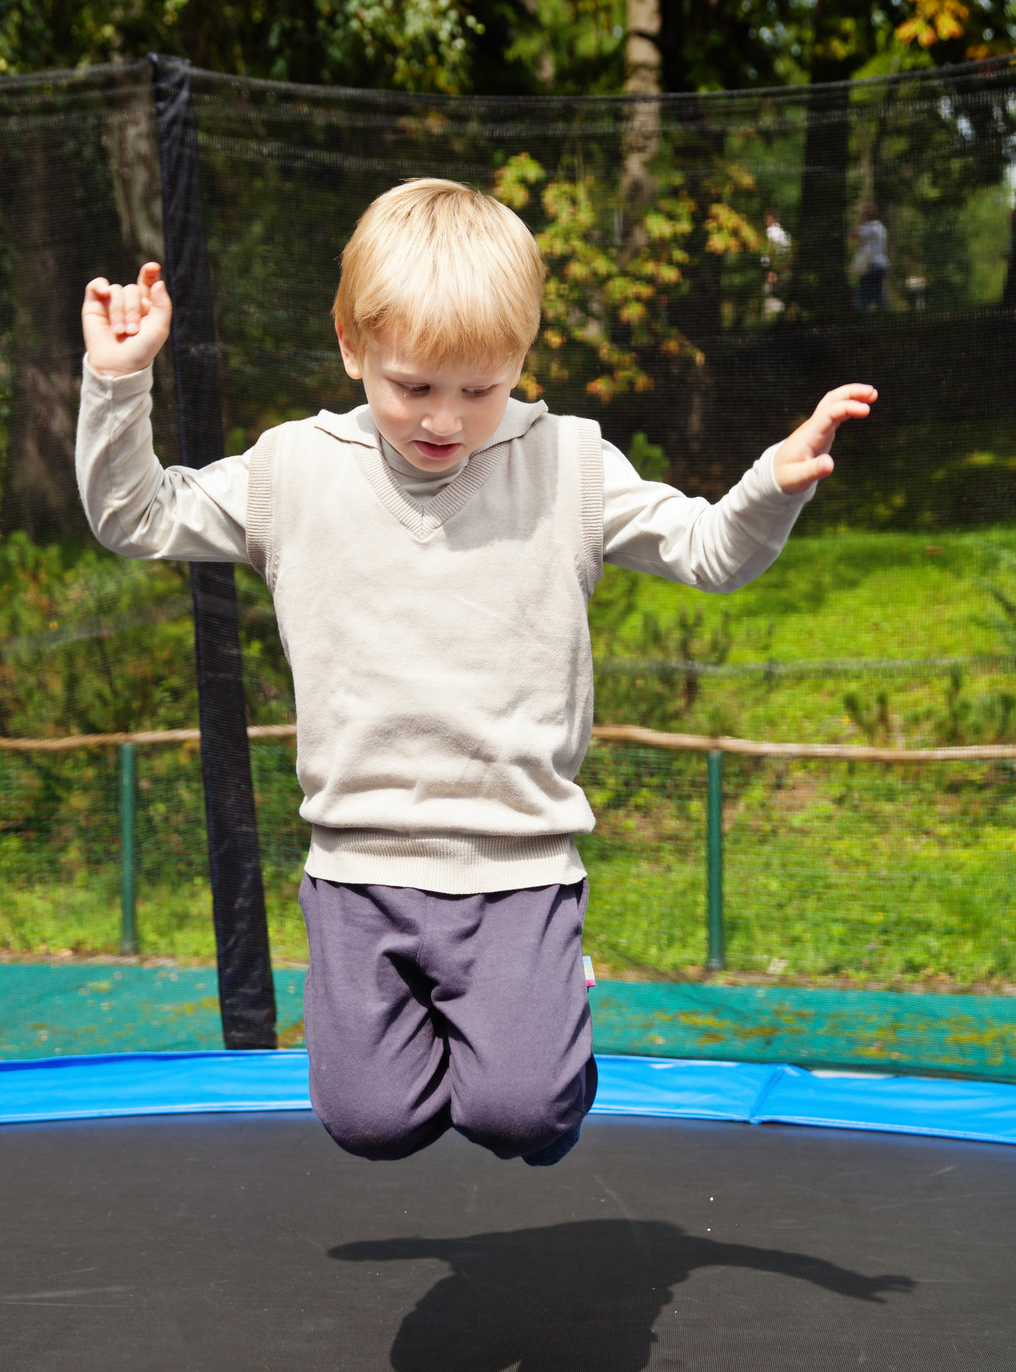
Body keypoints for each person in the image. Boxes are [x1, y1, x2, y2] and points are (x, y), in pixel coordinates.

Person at [76, 178, 876, 1167]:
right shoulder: (290, 474)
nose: (445, 419)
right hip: (357, 871)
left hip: (515, 867)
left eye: (481, 389)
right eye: (413, 386)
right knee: (370, 1121)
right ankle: (509, 1020)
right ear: (350, 346)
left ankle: (543, 1009)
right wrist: (118, 383)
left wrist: (769, 486)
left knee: (521, 1115)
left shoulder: (568, 465)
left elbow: (707, 550)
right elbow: (136, 516)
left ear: (519, 365)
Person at [850, 202, 889, 312]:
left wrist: (860, 221)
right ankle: (890, 314)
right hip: (882, 265)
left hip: (871, 265)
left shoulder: (868, 227)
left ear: (866, 216)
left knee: (862, 296)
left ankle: (860, 321)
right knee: (877, 295)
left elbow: (853, 234)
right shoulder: (881, 227)